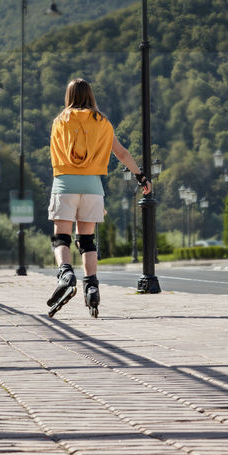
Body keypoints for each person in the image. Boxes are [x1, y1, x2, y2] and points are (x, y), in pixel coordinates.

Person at [46, 77, 151, 318]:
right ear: (91, 95)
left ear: (69, 96)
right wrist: (141, 177)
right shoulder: (103, 122)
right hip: (93, 186)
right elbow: (121, 153)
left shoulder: (60, 121)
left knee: (61, 237)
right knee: (86, 241)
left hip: (64, 182)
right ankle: (91, 286)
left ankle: (66, 273)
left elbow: (56, 150)